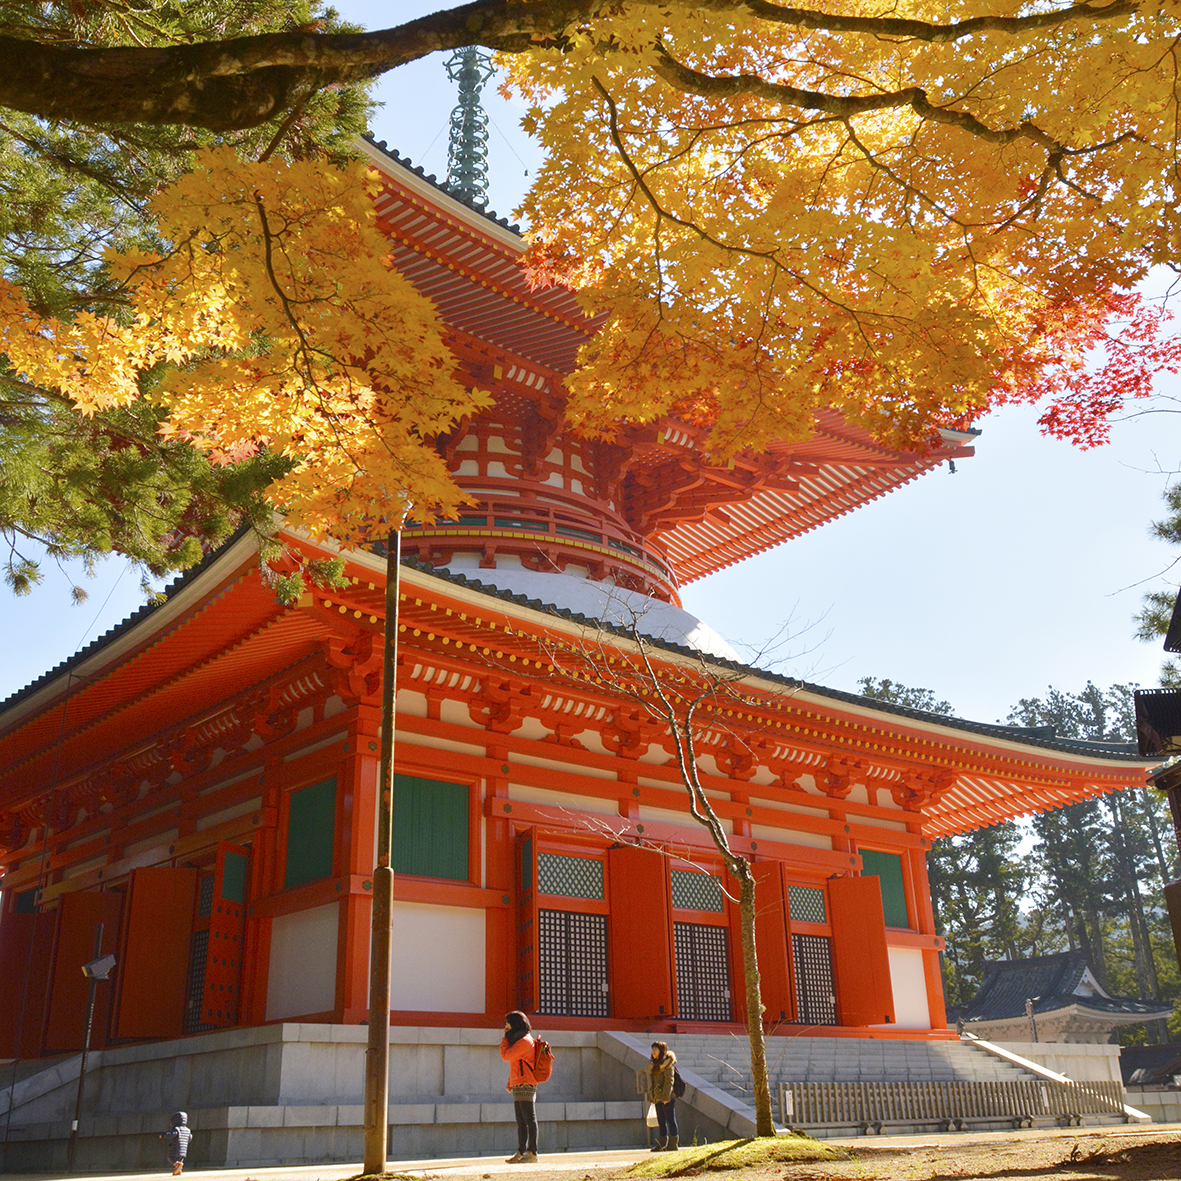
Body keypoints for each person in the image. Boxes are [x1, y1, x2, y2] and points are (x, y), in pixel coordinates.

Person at [500, 1010, 539, 1164]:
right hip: (519, 1082)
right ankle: (521, 1152)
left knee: (529, 1119)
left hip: (526, 1082)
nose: (506, 1025)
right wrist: (511, 1082)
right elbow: (516, 1064)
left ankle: (533, 1153)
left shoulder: (524, 1041)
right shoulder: (519, 1040)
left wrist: (504, 1039)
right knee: (521, 1121)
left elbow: (506, 1056)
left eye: (508, 1022)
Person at [647, 1042, 678, 1151]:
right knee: (661, 1121)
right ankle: (661, 1144)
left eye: (656, 1049)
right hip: (657, 1097)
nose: (653, 1052)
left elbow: (669, 1081)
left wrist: (666, 1097)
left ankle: (673, 1144)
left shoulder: (667, 1064)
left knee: (670, 1120)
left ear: (661, 1051)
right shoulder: (654, 1064)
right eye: (652, 1050)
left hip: (667, 1097)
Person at [161, 1111, 191, 1175]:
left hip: (176, 1147)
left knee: (170, 1157)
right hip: (184, 1149)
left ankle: (176, 1165)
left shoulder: (176, 1129)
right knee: (180, 1159)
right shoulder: (188, 1130)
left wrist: (164, 1135)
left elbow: (172, 1135)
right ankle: (178, 1170)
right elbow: (190, 1138)